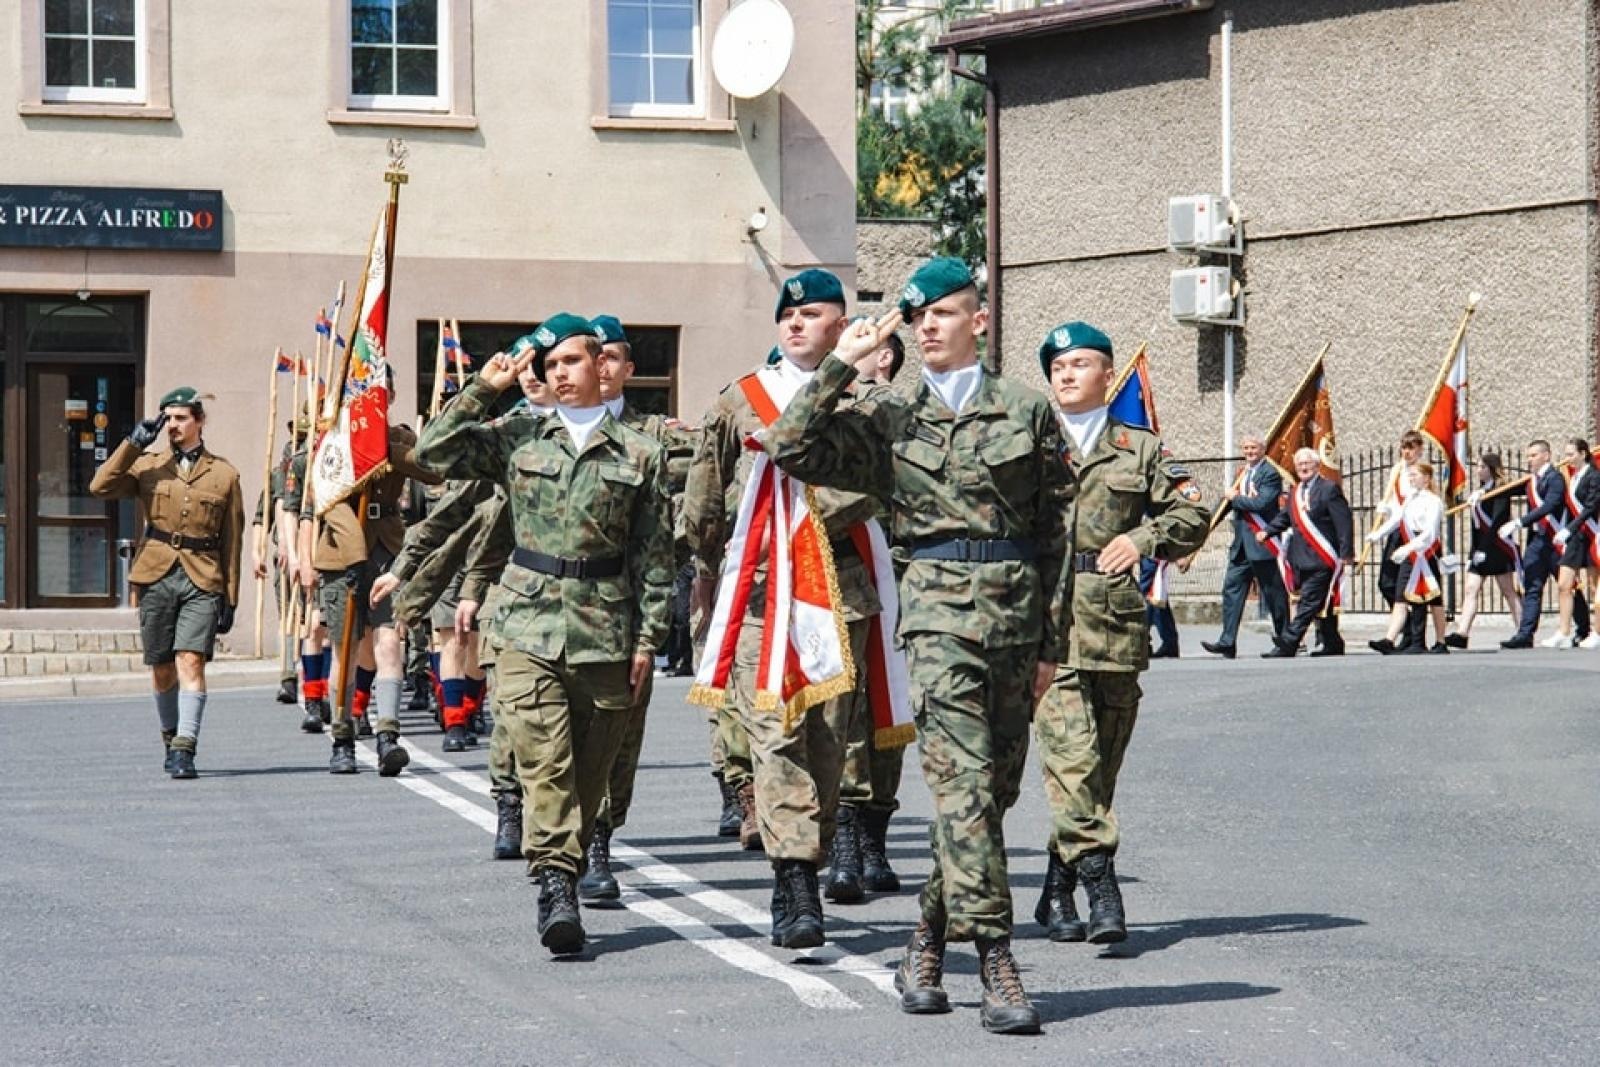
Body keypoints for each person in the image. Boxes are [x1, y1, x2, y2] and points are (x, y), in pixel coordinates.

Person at [763, 257, 1071, 1035]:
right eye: (917, 316)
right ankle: (996, 961)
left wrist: (1051, 644)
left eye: (942, 312)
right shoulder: (888, 417)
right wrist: (842, 363)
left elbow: (1056, 532)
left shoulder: (1026, 411)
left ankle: (926, 939)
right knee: (964, 791)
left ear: (978, 320)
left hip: (1013, 620)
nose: (927, 325)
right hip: (936, 621)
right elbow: (792, 446)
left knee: (989, 800)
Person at [416, 315, 672, 956]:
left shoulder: (639, 454)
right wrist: (484, 387)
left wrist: (648, 641)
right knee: (544, 762)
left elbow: (655, 558)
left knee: (591, 772)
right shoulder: (519, 434)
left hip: (606, 628)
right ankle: (557, 885)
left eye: (571, 361)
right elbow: (429, 456)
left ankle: (574, 852)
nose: (558, 373)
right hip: (527, 625)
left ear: (601, 367)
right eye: (550, 364)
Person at [683, 270, 885, 950]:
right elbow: (704, 499)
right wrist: (709, 576)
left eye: (813, 312)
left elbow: (879, 490)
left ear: (842, 323)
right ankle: (794, 879)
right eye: (787, 314)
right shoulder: (739, 401)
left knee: (830, 741)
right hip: (761, 594)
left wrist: (810, 513)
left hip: (838, 592)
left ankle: (813, 844)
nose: (796, 323)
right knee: (774, 738)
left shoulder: (865, 406)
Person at [1028, 322, 1209, 948]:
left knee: (1097, 773)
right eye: (1058, 367)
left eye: (1081, 364)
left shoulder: (1141, 448)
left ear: (1108, 376)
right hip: (1046, 629)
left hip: (1115, 626)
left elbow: (1192, 511)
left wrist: (1143, 538)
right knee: (1072, 763)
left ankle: (1057, 888)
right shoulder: (1029, 444)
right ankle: (1103, 885)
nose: (1068, 375)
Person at [578, 313, 701, 902]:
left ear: (628, 368)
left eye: (612, 356)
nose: (600, 365)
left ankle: (599, 836)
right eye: (590, 353)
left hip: (629, 606)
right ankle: (556, 836)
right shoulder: (552, 429)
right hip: (562, 608)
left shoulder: (663, 437)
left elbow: (711, 484)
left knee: (620, 730)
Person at [287, 368, 443, 775]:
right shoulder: (330, 444)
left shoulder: (398, 440)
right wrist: (355, 558)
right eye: (363, 393)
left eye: (380, 392)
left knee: (390, 642)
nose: (373, 399)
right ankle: (342, 736)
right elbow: (330, 503)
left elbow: (434, 471)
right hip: (342, 553)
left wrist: (388, 447)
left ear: (390, 396)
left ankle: (388, 734)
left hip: (388, 549)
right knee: (347, 650)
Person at [89, 387, 244, 779]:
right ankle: (171, 735)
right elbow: (100, 486)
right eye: (168, 419)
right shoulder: (148, 465)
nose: (172, 426)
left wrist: (231, 596)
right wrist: (132, 443)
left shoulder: (224, 474)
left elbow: (233, 540)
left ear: (199, 421)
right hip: (156, 573)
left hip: (203, 576)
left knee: (190, 660)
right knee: (161, 667)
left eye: (180, 418)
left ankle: (186, 748)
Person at [826, 324, 910, 904]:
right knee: (846, 709)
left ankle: (874, 833)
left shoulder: (901, 411)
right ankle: (847, 841)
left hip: (904, 575)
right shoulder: (823, 405)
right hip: (843, 576)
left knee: (892, 710)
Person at [1202, 432, 1289, 658]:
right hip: (1241, 544)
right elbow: (1226, 504)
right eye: (1246, 448)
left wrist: (1234, 498)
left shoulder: (1270, 473)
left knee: (1273, 594)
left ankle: (1286, 639)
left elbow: (1262, 503)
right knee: (1231, 590)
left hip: (1262, 543)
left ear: (1263, 449)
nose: (1249, 452)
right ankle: (1227, 641)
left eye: (1253, 448)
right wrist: (1207, 524)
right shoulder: (1242, 474)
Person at [1260, 448, 1354, 658]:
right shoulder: (1295, 491)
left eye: (1307, 464)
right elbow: (1286, 517)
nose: (1303, 467)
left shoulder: (1329, 489)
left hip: (1323, 557)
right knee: (1321, 602)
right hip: (1301, 557)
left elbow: (1344, 522)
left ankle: (1289, 642)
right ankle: (1333, 643)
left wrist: (1347, 553)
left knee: (1309, 602)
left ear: (1317, 466)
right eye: (1299, 464)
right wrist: (1267, 531)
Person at [1365, 462, 1447, 654]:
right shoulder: (1410, 498)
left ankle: (1439, 641)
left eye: (1415, 475)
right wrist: (1377, 534)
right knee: (1402, 596)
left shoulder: (1433, 501)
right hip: (1411, 552)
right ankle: (1389, 639)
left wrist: (1408, 547)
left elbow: (1430, 533)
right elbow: (1397, 520)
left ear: (1427, 479)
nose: (1411, 479)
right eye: (1409, 476)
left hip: (1426, 552)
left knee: (1432, 598)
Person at [1445, 453, 1522, 647]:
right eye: (1478, 466)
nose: (1478, 470)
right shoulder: (1479, 492)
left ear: (1492, 469)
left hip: (1497, 548)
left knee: (1507, 590)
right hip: (1480, 548)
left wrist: (1485, 550)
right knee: (1471, 589)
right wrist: (1473, 552)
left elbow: (1496, 522)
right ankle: (1462, 634)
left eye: (1482, 467)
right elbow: (1476, 527)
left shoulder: (1500, 490)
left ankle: (1523, 630)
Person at [1499, 440, 1567, 649]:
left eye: (1534, 455)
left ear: (1546, 455)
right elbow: (1507, 491)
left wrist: (1519, 522)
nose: (1530, 460)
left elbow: (1550, 505)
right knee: (1532, 586)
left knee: (1567, 586)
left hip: (1555, 541)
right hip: (1537, 541)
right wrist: (1483, 493)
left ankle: (1582, 628)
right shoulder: (1531, 481)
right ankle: (1525, 633)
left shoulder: (1555, 478)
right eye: (1528, 456)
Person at [1545, 438, 1600, 648]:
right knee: (1564, 584)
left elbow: (1590, 506)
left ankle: (1597, 632)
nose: (1567, 459)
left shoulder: (1594, 476)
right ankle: (1564, 631)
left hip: (1592, 534)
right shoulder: (1573, 477)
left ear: (1583, 454)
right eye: (1566, 454)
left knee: (1596, 587)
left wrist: (1569, 529)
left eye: (1571, 454)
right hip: (1576, 537)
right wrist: (1567, 532)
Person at [1375, 431, 1424, 625]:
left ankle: (1410, 631)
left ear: (1420, 449)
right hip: (1396, 530)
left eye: (1411, 448)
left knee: (1410, 585)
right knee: (1386, 582)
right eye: (1404, 447)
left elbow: (1409, 506)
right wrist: (1386, 507)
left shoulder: (1421, 472)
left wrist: (1382, 529)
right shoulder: (1397, 470)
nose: (1407, 452)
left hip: (1412, 532)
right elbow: (1395, 500)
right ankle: (1406, 624)